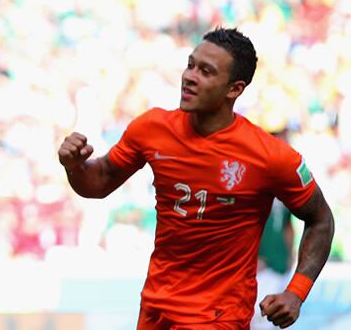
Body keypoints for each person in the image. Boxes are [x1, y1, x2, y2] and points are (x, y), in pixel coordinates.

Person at [58, 27, 334, 329]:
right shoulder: (151, 129)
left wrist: (296, 293)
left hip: (218, 316)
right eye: (190, 65)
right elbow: (99, 182)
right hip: (155, 309)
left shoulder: (270, 156)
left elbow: (320, 220)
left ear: (234, 89)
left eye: (206, 71)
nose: (190, 76)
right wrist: (75, 166)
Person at [252, 129, 296, 330]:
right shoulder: (252, 178)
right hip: (255, 267)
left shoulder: (287, 181)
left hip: (277, 265)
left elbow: (288, 223)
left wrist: (290, 256)